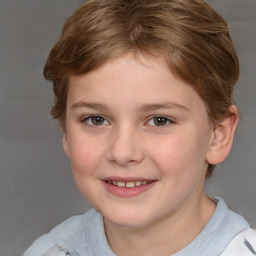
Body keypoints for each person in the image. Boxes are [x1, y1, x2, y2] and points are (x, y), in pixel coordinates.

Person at [23, 0, 256, 255]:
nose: (122, 153)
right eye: (96, 120)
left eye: (160, 120)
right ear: (65, 131)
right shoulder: (49, 251)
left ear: (217, 136)